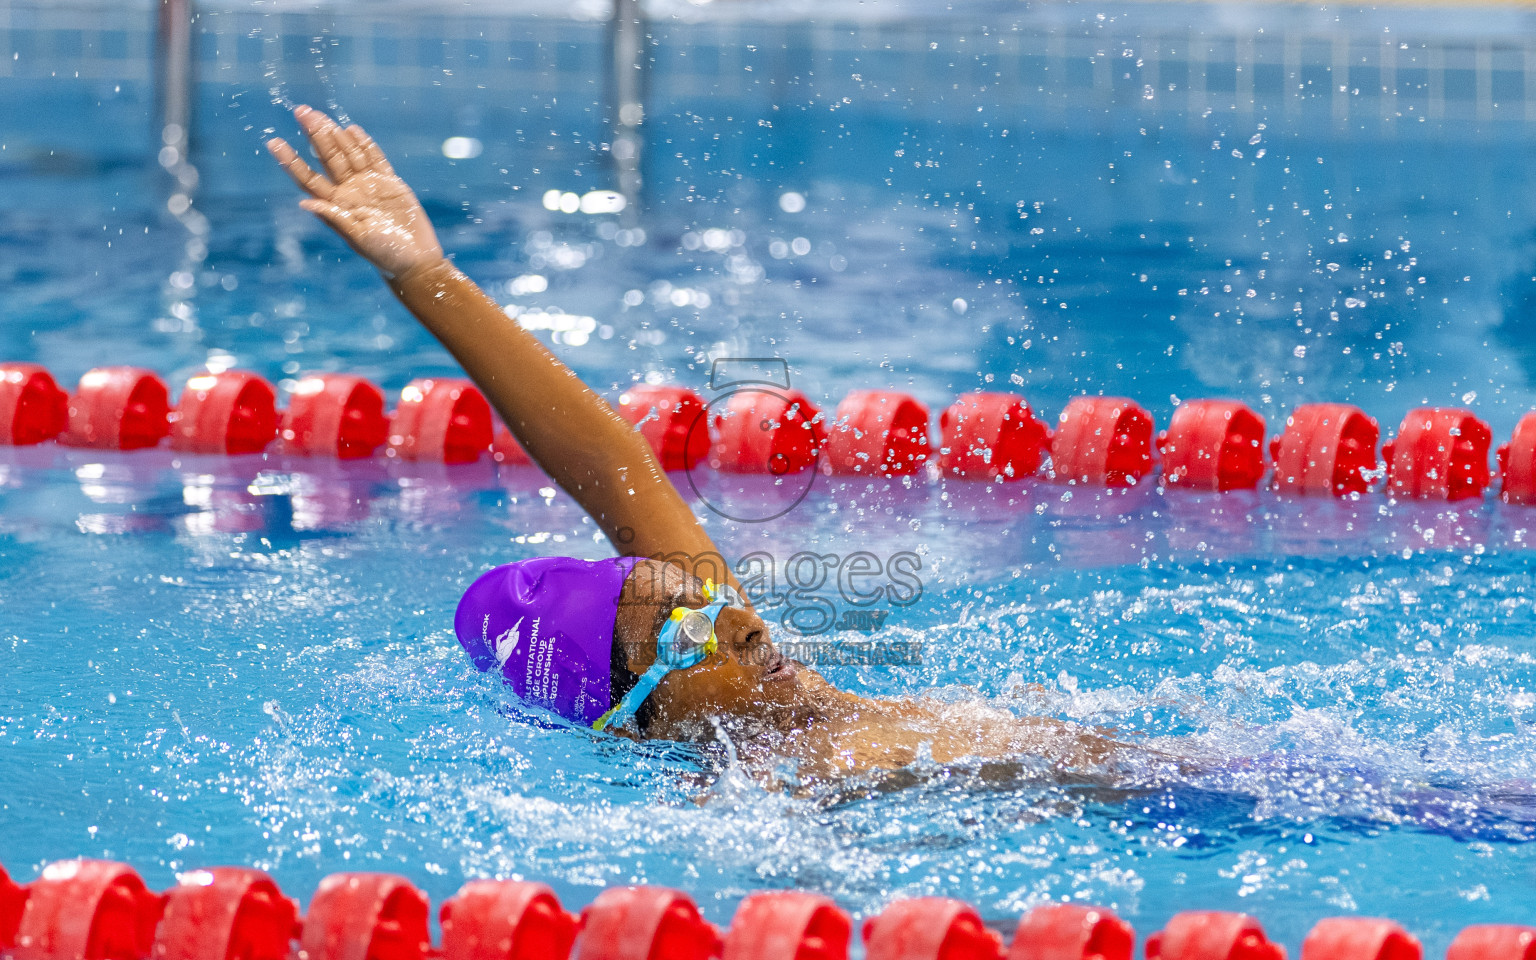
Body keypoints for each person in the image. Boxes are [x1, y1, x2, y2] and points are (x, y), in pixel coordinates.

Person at [267, 106, 1121, 784]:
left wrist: (427, 276)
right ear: (635, 717)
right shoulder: (773, 786)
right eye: (684, 636)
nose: (740, 622)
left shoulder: (773, 687)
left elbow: (609, 463)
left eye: (706, 596)